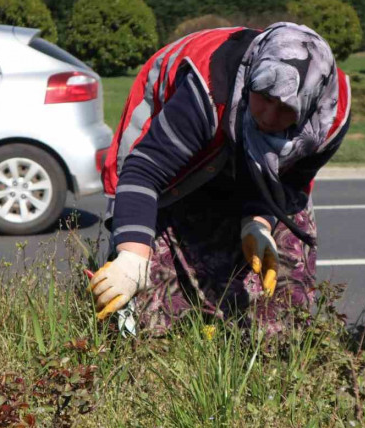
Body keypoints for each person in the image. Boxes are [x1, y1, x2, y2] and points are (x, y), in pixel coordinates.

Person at [87, 22, 351, 334]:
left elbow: (289, 181)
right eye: (264, 96)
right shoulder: (209, 91)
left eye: (285, 109)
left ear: (308, 108)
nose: (268, 116)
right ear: (252, 78)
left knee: (281, 300)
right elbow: (143, 172)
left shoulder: (329, 122)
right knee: (148, 311)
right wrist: (132, 258)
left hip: (230, 141)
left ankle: (272, 348)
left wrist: (258, 223)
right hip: (163, 156)